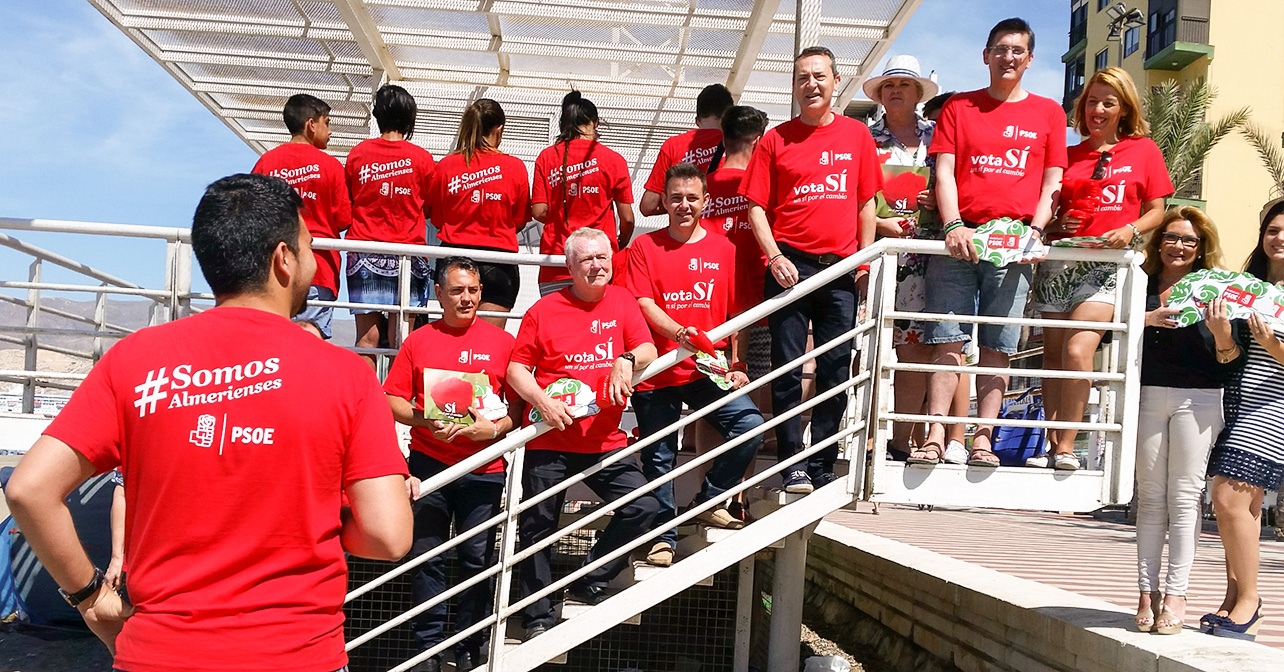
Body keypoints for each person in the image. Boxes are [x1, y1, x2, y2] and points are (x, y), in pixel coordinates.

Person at [5, 173, 414, 670]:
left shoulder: (135, 360)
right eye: (310, 248)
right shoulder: (346, 375)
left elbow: (29, 489)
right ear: (283, 259)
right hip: (294, 655)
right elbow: (388, 537)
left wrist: (90, 598)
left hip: (157, 655)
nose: (315, 264)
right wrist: (326, 511)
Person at [915, 18, 1067, 468]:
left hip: (1014, 244)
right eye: (1000, 49)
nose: (1008, 57)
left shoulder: (1048, 113)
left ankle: (983, 437)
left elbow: (1052, 180)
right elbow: (943, 171)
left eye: (1018, 50)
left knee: (998, 344)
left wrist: (1036, 231)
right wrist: (953, 225)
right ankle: (936, 434)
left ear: (1030, 59)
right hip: (960, 240)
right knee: (946, 339)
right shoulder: (959, 108)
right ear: (986, 55)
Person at [741, 46, 883, 493]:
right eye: (802, 77)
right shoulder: (775, 139)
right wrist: (774, 256)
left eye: (819, 76)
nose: (811, 85)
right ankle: (791, 465)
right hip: (788, 266)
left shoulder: (857, 136)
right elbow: (756, 208)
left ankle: (821, 461)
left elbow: (865, 204)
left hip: (841, 269)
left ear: (835, 80)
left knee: (836, 369)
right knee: (785, 371)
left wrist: (863, 263)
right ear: (795, 85)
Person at [507, 227, 660, 639]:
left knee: (644, 507)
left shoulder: (623, 302)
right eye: (587, 260)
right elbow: (516, 369)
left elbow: (648, 349)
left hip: (603, 441)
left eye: (602, 258)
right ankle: (537, 618)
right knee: (538, 528)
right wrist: (541, 400)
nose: (596, 266)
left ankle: (589, 578)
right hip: (549, 438)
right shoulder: (544, 309)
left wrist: (626, 359)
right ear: (570, 267)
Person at [1030, 67, 1174, 471]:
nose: (1098, 109)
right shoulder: (1068, 155)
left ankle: (1067, 446)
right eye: (1092, 101)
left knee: (1078, 351)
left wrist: (1129, 229)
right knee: (1054, 357)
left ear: (1124, 108)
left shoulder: (1143, 150)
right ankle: (1051, 442)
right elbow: (1049, 208)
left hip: (1107, 266)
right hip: (1061, 259)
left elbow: (1157, 211)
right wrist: (1056, 226)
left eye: (1108, 102)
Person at [383, 257, 523, 671]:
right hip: (429, 465)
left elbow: (517, 410)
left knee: (476, 561)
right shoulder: (419, 340)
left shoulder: (502, 343)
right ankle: (428, 649)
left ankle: (469, 647)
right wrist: (426, 418)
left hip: (484, 468)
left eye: (474, 291)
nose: (467, 299)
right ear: (439, 294)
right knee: (426, 558)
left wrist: (492, 432)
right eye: (458, 291)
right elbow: (392, 400)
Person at [628, 162, 766, 567]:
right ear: (664, 203)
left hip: (708, 366)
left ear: (705, 201)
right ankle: (661, 537)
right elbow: (643, 302)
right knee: (658, 456)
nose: (683, 205)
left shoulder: (724, 248)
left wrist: (737, 363)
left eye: (691, 198)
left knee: (751, 426)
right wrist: (679, 334)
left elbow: (735, 312)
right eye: (675, 198)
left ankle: (709, 498)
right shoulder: (644, 247)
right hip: (658, 368)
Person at [1132, 207, 1238, 635]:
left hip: (1200, 398)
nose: (1179, 246)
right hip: (1147, 395)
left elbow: (1232, 361)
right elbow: (1106, 331)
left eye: (1189, 241)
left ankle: (1176, 595)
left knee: (1184, 497)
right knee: (1150, 498)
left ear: (1201, 248)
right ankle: (1145, 592)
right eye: (1171, 237)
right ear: (1159, 242)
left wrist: (1222, 333)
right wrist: (1147, 319)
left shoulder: (1216, 290)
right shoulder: (1137, 283)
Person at [861, 55, 960, 463]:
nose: (896, 91)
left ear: (919, 93)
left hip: (928, 256)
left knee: (915, 349)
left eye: (904, 84)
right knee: (865, 347)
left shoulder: (939, 136)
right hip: (880, 255)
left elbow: (957, 187)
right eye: (889, 86)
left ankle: (901, 439)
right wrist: (883, 226)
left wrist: (934, 206)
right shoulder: (864, 138)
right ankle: (861, 434)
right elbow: (856, 198)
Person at [1202, 198, 1284, 641]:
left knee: (1228, 498)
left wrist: (1273, 345)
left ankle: (1250, 600)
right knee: (1244, 507)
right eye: (1273, 230)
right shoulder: (1244, 288)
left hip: (1276, 408)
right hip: (1237, 402)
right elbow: (1229, 361)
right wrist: (1222, 337)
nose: (1280, 238)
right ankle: (1234, 596)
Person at [346, 84, 436, 366]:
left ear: (377, 115)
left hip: (363, 253)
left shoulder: (358, 154)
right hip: (407, 257)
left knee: (367, 338)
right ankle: (399, 408)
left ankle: (365, 406)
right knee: (402, 339)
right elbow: (430, 207)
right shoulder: (422, 159)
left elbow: (349, 199)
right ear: (410, 117)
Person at [251, 93, 352, 339]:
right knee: (311, 342)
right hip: (319, 269)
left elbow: (254, 215)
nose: (330, 131)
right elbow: (343, 219)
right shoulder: (331, 166)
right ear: (311, 124)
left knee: (274, 342)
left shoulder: (266, 163)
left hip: (275, 270)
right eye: (327, 122)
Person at [428, 99, 531, 329]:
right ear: (499, 129)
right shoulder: (515, 167)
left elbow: (437, 218)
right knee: (490, 345)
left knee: (456, 342)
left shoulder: (446, 166)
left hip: (454, 260)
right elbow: (520, 220)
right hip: (499, 262)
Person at [532, 91, 635, 295]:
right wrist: (617, 242)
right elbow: (628, 218)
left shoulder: (547, 157)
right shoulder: (613, 160)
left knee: (557, 324)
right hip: (597, 262)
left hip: (557, 263)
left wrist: (561, 217)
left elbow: (538, 210)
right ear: (595, 122)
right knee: (596, 325)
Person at [638, 83, 735, 216]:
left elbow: (648, 206)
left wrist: (679, 205)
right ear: (729, 117)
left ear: (697, 120)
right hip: (723, 230)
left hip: (685, 233)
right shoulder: (738, 145)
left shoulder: (673, 145)